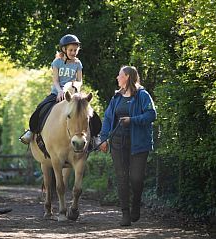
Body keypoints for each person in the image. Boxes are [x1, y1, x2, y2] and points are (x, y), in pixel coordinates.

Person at [99, 66, 157, 226]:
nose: (117, 78)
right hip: (118, 142)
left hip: (138, 143)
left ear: (127, 77)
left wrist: (132, 120)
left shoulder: (143, 95)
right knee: (122, 177)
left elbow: (152, 114)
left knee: (136, 178)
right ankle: (125, 213)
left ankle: (136, 203)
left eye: (120, 75)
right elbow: (107, 118)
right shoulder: (116, 98)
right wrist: (103, 139)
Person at [19, 34, 101, 145]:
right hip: (57, 93)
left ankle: (95, 137)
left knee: (91, 114)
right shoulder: (57, 63)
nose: (73, 52)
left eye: (75, 50)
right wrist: (60, 91)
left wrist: (74, 86)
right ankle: (31, 131)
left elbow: (79, 81)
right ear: (64, 49)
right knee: (41, 108)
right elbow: (56, 81)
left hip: (73, 96)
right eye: (71, 50)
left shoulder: (78, 63)